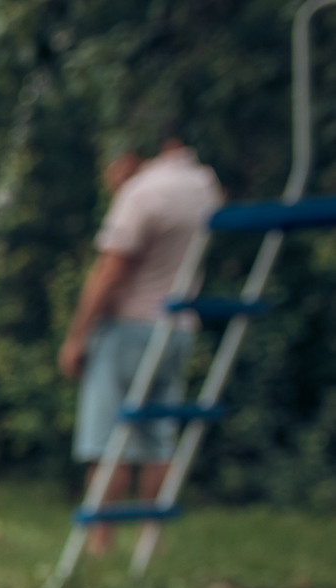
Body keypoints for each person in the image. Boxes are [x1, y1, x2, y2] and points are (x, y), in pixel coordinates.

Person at [59, 134, 223, 555]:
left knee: (106, 441)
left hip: (128, 327)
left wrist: (77, 335)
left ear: (129, 158)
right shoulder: (203, 184)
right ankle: (152, 540)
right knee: (158, 437)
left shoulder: (142, 193)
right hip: (179, 326)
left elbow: (110, 271)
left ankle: (101, 543)